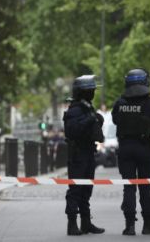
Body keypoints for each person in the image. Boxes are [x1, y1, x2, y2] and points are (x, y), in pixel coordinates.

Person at [112, 68, 150, 236]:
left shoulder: (120, 102)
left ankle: (129, 225)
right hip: (144, 148)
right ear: (145, 83)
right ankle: (148, 224)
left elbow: (116, 119)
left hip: (125, 148)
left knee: (128, 187)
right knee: (145, 187)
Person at [64, 75, 106, 236]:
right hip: (77, 154)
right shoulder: (74, 109)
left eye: (93, 91)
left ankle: (86, 222)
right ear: (81, 92)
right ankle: (72, 224)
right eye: (90, 91)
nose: (92, 93)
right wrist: (89, 120)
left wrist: (97, 119)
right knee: (75, 189)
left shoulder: (87, 107)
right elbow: (71, 131)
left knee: (87, 189)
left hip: (88, 152)